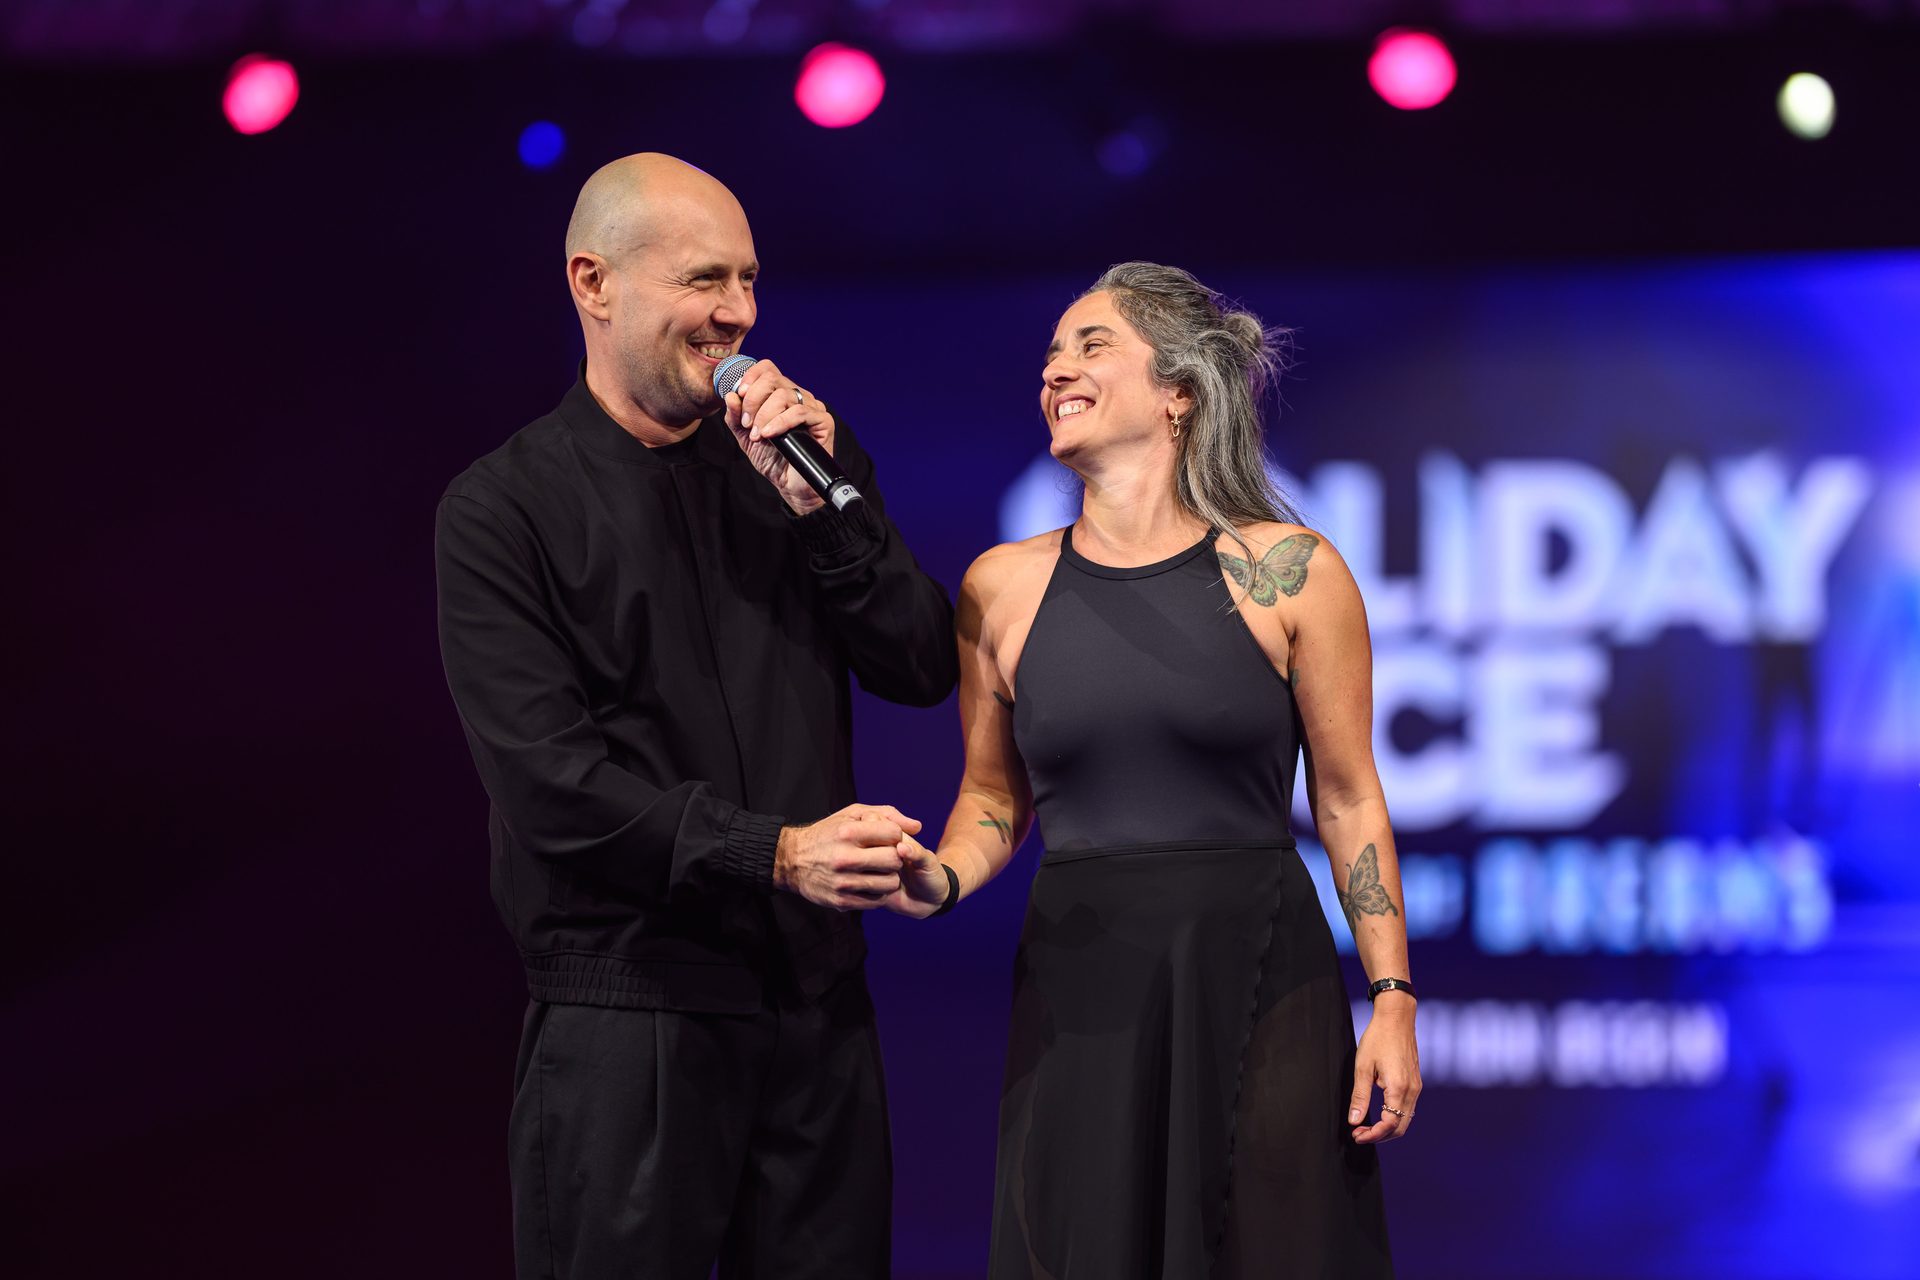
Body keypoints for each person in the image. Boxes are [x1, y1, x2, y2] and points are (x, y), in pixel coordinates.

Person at [434, 153, 957, 1280]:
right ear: (594, 281)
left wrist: (824, 511)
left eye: (751, 280)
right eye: (705, 280)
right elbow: (548, 784)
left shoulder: (796, 458)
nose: (740, 313)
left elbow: (920, 660)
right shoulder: (503, 508)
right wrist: (770, 850)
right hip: (631, 1018)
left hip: (817, 1013)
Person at [885, 263, 1415, 1277]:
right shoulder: (1001, 587)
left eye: (1091, 345)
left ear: (1180, 390)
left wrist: (1393, 995)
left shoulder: (1292, 569)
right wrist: (940, 875)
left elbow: (1348, 797)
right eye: (1050, 351)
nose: (1056, 369)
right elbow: (994, 796)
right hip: (1084, 979)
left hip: (1261, 969)